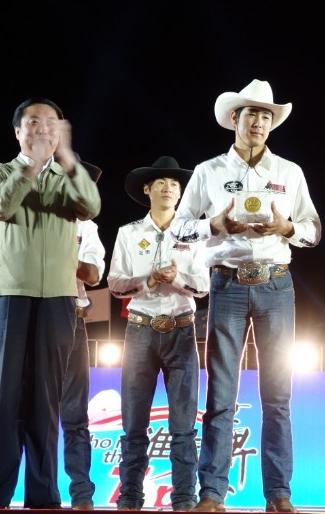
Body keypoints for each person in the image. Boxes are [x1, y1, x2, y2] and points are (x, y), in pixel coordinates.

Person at [170, 79, 322, 513]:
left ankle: (279, 494)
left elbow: (312, 231)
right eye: (252, 113)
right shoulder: (208, 171)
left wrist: (286, 227)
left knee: (278, 395)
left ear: (272, 124)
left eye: (266, 116)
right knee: (221, 394)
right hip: (228, 284)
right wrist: (213, 226)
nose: (259, 122)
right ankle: (212, 494)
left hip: (276, 284)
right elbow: (178, 228)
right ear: (234, 118)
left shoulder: (289, 172)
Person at [0, 97, 101, 508]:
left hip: (59, 299)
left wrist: (67, 159)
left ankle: (43, 495)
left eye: (52, 122)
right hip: (8, 293)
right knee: (4, 399)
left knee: (47, 401)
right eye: (34, 121)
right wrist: (30, 165)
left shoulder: (67, 178)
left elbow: (91, 206)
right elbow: (0, 206)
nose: (43, 128)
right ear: (18, 131)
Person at [107, 156, 211, 512]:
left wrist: (176, 278)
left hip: (182, 330)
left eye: (175, 184)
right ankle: (129, 498)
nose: (169, 189)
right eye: (161, 183)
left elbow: (203, 286)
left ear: (181, 193)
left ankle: (184, 499)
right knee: (134, 424)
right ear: (147, 189)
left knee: (184, 426)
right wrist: (148, 280)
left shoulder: (195, 233)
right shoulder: (128, 232)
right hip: (140, 329)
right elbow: (115, 283)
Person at [61, 155, 106, 511]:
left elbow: (93, 274)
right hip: (31, 316)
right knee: (29, 410)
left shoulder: (86, 226)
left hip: (71, 316)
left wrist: (60, 252)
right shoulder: (27, 216)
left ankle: (82, 495)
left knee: (75, 415)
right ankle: (36, 490)